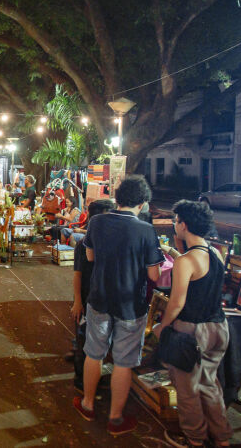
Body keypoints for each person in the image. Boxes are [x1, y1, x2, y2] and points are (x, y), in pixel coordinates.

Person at [74, 175, 164, 436]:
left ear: (119, 197)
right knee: (124, 362)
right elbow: (154, 276)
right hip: (130, 305)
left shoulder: (98, 221)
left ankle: (88, 404)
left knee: (95, 353)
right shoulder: (145, 230)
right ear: (143, 202)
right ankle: (115, 418)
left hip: (99, 298)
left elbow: (89, 256)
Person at [154, 201, 231, 448]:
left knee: (187, 391)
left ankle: (194, 439)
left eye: (176, 221)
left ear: (183, 224)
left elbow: (176, 303)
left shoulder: (185, 262)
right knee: (209, 384)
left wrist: (163, 327)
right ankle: (221, 438)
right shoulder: (215, 253)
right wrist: (179, 248)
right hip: (218, 328)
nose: (174, 225)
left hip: (191, 332)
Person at [70, 199, 115, 393]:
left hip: (105, 299)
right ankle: (81, 379)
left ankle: (98, 377)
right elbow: (77, 275)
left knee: (101, 342)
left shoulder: (111, 241)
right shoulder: (84, 243)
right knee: (84, 341)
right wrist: (77, 301)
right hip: (88, 297)